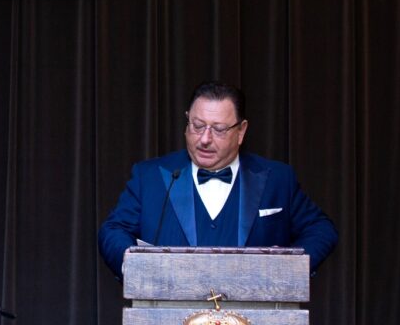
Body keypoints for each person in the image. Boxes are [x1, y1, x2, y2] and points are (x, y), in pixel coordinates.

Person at [98, 81, 337, 278]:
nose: (204, 139)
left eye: (219, 129)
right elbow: (113, 231)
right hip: (169, 322)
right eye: (197, 125)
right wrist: (137, 269)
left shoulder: (277, 179)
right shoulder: (149, 177)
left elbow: (321, 230)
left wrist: (288, 266)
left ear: (241, 131)